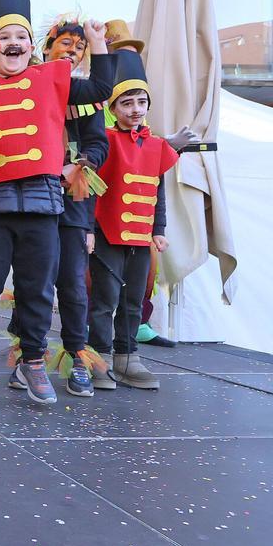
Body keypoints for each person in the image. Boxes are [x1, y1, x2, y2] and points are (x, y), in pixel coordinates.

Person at [0, 0, 115, 405]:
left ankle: (34, 361)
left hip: (41, 206)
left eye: (20, 36)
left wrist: (97, 44)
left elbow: (99, 90)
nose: (13, 43)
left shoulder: (53, 80)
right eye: (4, 37)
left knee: (37, 290)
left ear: (31, 46)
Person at [5, 16, 110, 398]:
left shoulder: (87, 96)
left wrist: (78, 165)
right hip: (32, 200)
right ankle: (26, 356)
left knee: (73, 285)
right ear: (47, 48)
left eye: (79, 47)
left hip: (72, 205)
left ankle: (78, 359)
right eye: (66, 43)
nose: (72, 51)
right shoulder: (27, 84)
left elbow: (99, 144)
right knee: (32, 281)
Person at [89, 50, 180, 390]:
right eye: (126, 103)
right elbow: (90, 188)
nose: (135, 109)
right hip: (107, 233)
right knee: (104, 300)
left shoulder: (157, 145)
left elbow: (159, 189)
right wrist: (88, 229)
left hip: (141, 237)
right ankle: (98, 358)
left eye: (141, 102)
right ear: (112, 109)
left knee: (133, 300)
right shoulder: (104, 140)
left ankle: (128, 358)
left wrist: (159, 229)